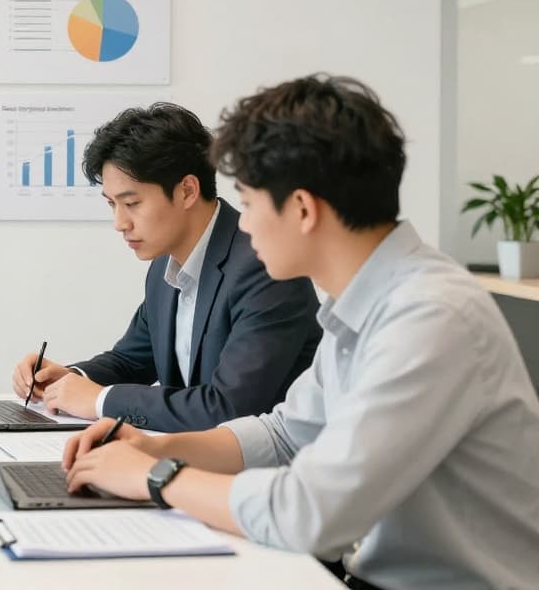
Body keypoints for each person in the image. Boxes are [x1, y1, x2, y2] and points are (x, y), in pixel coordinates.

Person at [62, 75, 539, 590]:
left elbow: (310, 513)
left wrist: (156, 479)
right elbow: (287, 434)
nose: (241, 226)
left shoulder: (430, 317)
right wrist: (159, 448)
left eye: (249, 202)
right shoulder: (363, 301)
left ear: (303, 210)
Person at [11, 102, 321, 431]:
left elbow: (227, 408)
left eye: (131, 203)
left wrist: (100, 401)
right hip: (193, 458)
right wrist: (69, 379)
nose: (119, 223)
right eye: (111, 204)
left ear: (187, 190)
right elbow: (131, 360)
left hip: (268, 472)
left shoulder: (265, 268)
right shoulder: (165, 266)